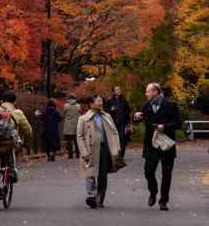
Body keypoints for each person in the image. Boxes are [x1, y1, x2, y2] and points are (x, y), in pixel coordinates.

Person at [133, 82, 182, 211]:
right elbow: (139, 119)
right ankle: (153, 191)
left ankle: (163, 200)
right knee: (148, 171)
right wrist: (136, 117)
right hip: (151, 144)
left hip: (167, 143)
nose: (146, 93)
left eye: (148, 91)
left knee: (167, 173)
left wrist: (164, 127)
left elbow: (178, 123)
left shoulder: (170, 105)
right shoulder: (147, 105)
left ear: (155, 92)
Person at [0, 90, 33, 202]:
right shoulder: (18, 113)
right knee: (10, 158)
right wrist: (26, 142)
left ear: (1, 101)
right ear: (14, 102)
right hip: (8, 144)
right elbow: (28, 130)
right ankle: (11, 173)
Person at [76, 95, 122, 209]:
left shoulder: (107, 116)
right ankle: (91, 196)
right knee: (90, 173)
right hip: (90, 150)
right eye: (98, 101)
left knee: (102, 175)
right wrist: (83, 151)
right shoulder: (83, 118)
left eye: (102, 101)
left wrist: (117, 147)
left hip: (104, 148)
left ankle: (99, 198)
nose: (101, 103)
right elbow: (79, 136)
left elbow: (114, 132)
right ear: (91, 104)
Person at [107, 86, 132, 158]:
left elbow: (128, 111)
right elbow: (106, 112)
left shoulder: (124, 100)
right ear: (114, 92)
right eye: (117, 89)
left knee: (122, 139)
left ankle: (121, 155)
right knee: (114, 140)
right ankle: (115, 154)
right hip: (113, 124)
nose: (119, 90)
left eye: (119, 89)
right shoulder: (110, 101)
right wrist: (111, 110)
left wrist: (128, 123)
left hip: (122, 124)